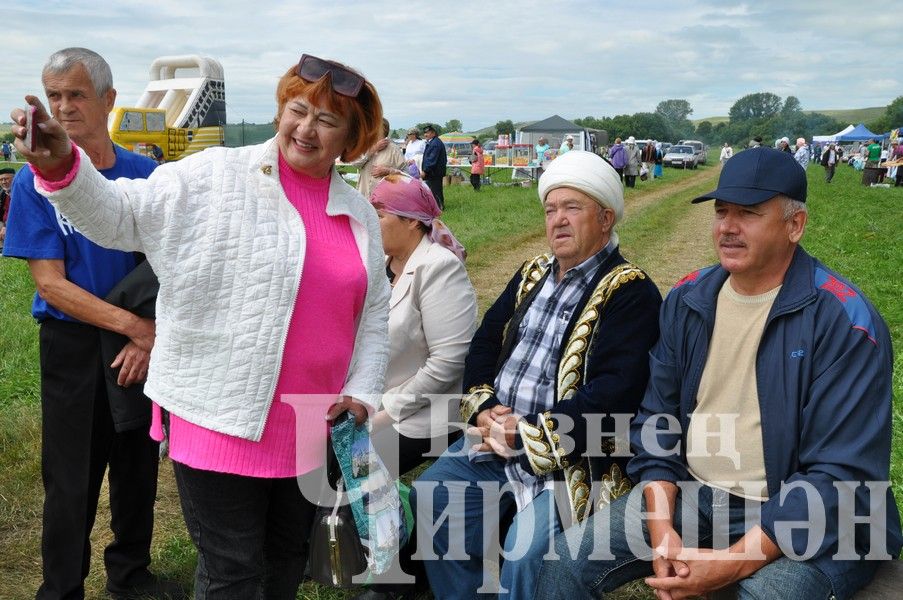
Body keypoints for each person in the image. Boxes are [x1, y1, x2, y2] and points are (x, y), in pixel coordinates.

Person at [11, 51, 391, 598]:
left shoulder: (358, 215)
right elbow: (120, 215)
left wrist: (362, 387)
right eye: (298, 110)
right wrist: (61, 169)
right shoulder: (215, 175)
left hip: (312, 429)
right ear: (282, 109)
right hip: (219, 422)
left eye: (327, 120)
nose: (306, 128)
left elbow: (374, 311)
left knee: (284, 566)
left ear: (351, 138)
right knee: (232, 576)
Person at [536, 147, 902, 600]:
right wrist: (662, 526)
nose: (727, 227)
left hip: (815, 516)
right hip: (697, 492)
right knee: (564, 561)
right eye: (721, 211)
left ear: (795, 225)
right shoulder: (689, 300)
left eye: (747, 213)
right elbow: (656, 420)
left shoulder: (846, 323)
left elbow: (838, 476)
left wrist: (730, 564)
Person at [413, 150, 662, 599]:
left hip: (575, 457)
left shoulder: (631, 291)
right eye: (551, 209)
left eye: (572, 208)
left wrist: (521, 433)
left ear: (605, 218)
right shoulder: (531, 273)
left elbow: (614, 394)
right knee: (434, 493)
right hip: (496, 438)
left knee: (529, 553)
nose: (558, 220)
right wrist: (486, 410)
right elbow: (485, 342)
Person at [2, 47, 180, 600]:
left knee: (136, 464)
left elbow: (165, 267)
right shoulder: (38, 179)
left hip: (139, 341)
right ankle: (61, 587)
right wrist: (134, 327)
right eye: (53, 96)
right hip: (76, 344)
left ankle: (131, 575)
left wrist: (147, 335)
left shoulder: (146, 174)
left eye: (75, 94)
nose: (63, 106)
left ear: (108, 100)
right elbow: (50, 283)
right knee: (71, 475)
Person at [353, 117, 406, 200]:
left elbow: (406, 175)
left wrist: (388, 171)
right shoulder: (364, 146)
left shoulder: (394, 149)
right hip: (363, 199)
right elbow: (355, 164)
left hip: (384, 201)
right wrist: (373, 150)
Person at [421, 124, 447, 209]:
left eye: (428, 133)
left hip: (434, 172)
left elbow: (432, 160)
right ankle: (436, 207)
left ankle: (439, 207)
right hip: (434, 172)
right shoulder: (433, 142)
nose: (425, 135)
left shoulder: (435, 143)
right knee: (433, 190)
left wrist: (425, 171)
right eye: (425, 133)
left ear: (433, 133)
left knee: (435, 190)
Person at [0, 166, 13, 249]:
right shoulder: (2, 192)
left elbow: (17, 213)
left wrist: (5, 226)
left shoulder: (20, 192)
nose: (3, 182)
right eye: (1, 180)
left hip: (14, 221)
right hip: (4, 221)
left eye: (6, 179)